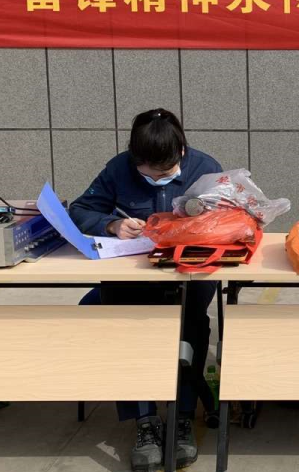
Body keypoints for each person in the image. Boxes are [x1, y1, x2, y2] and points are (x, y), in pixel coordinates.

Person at [69, 109, 222, 472]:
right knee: (127, 330)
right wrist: (112, 224)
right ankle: (144, 421)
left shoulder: (206, 169)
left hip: (188, 274)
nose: (155, 179)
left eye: (164, 172)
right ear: (134, 157)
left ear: (181, 151)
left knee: (191, 327)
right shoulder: (118, 168)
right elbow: (81, 209)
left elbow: (234, 217)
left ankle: (182, 417)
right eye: (147, 172)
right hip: (132, 276)